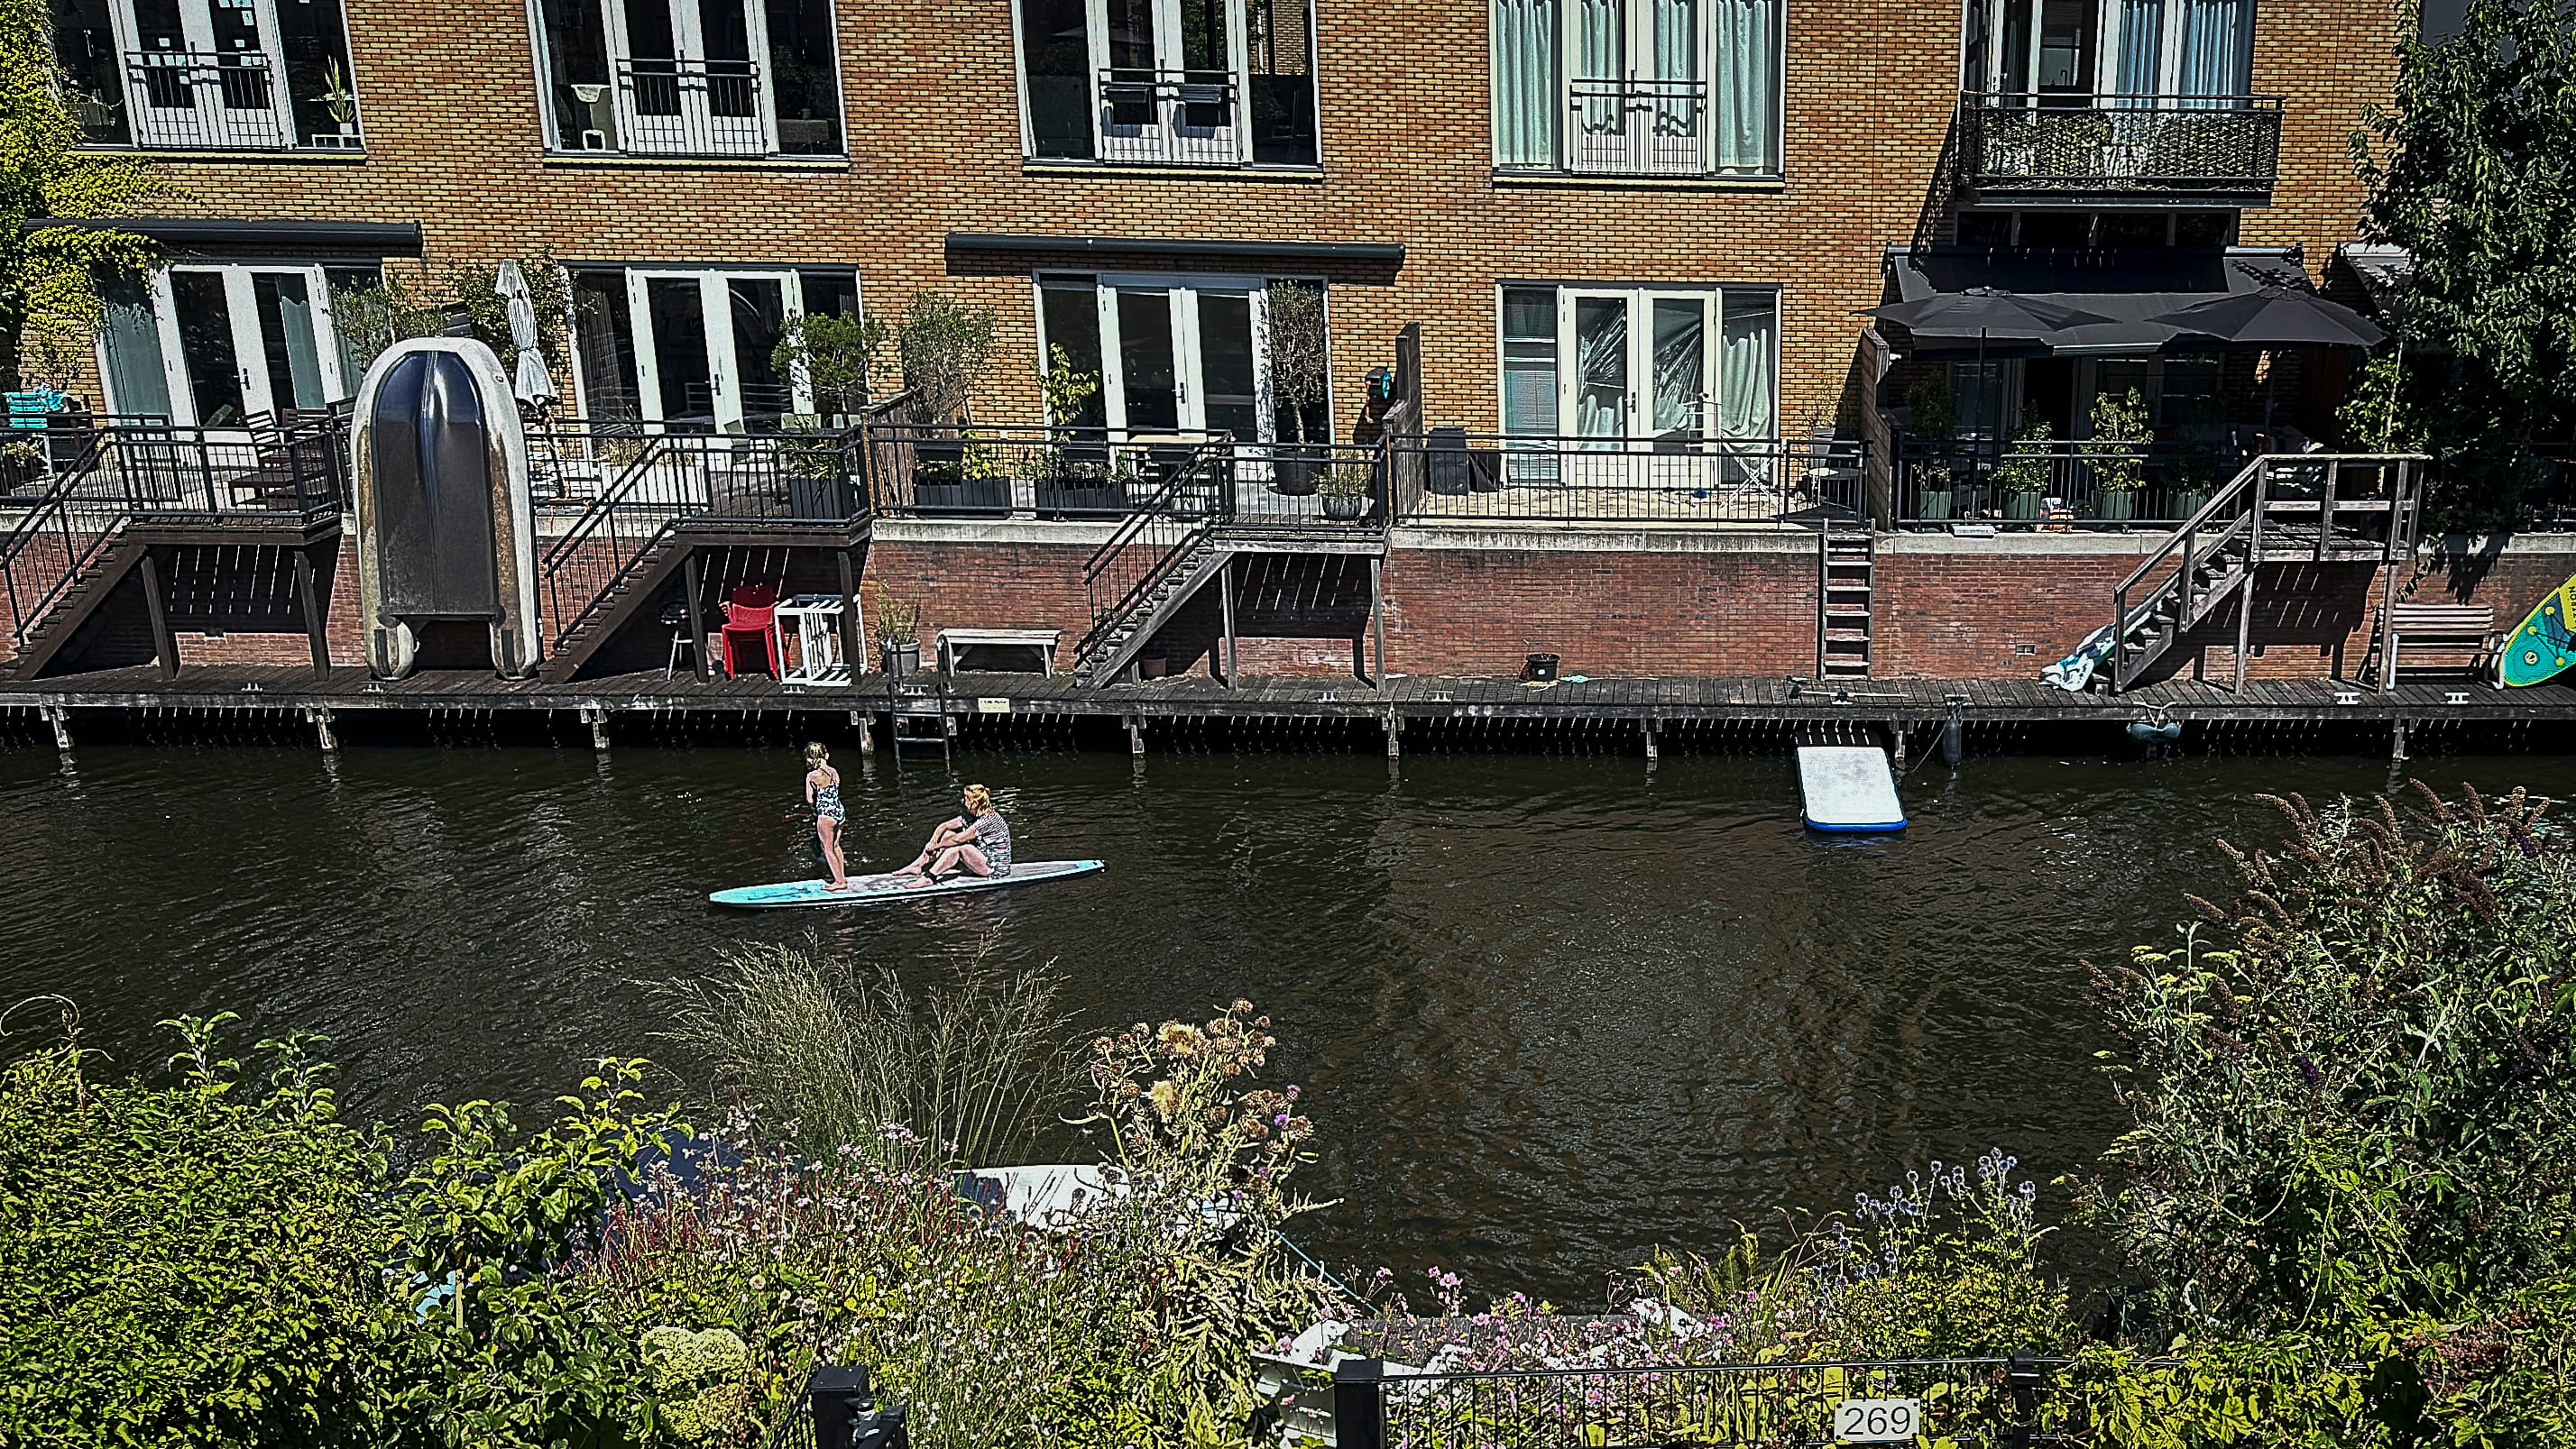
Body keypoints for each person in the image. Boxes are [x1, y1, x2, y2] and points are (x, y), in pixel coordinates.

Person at [893, 784, 1013, 884]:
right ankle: (917, 865)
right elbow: (944, 826)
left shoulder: (989, 820)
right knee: (947, 835)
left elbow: (958, 839)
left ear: (975, 804)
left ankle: (929, 878)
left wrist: (937, 846)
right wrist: (933, 842)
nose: (963, 800)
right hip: (982, 858)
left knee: (962, 849)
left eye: (966, 798)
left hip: (995, 868)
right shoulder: (970, 816)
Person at [803, 742, 851, 892]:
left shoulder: (812, 776)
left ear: (810, 758)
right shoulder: (834, 772)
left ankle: (839, 882)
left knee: (827, 848)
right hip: (839, 812)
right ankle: (842, 876)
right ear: (826, 755)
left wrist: (813, 810)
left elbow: (810, 799)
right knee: (836, 845)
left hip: (826, 815)